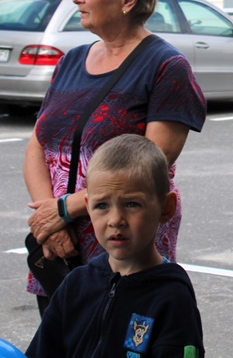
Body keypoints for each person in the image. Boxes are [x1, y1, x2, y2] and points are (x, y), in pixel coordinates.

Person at [23, 0, 206, 315]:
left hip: (121, 244)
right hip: (58, 245)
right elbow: (36, 146)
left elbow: (150, 164)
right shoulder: (73, 60)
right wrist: (51, 221)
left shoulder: (166, 66)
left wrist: (66, 209)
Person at [26, 134, 205, 357]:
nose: (115, 219)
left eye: (131, 204)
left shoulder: (171, 296)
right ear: (87, 208)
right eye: (102, 205)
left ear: (166, 208)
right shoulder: (76, 285)